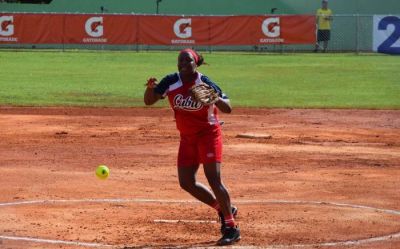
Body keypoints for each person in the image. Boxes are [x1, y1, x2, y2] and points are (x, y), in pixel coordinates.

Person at [144, 48, 240, 246]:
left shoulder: (205, 82)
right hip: (187, 138)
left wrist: (213, 98)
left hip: (208, 135)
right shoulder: (171, 81)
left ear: (195, 63)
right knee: (186, 182)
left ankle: (231, 227)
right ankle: (223, 209)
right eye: (180, 61)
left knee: (214, 179)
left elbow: (228, 107)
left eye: (187, 61)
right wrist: (150, 88)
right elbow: (149, 100)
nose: (183, 65)